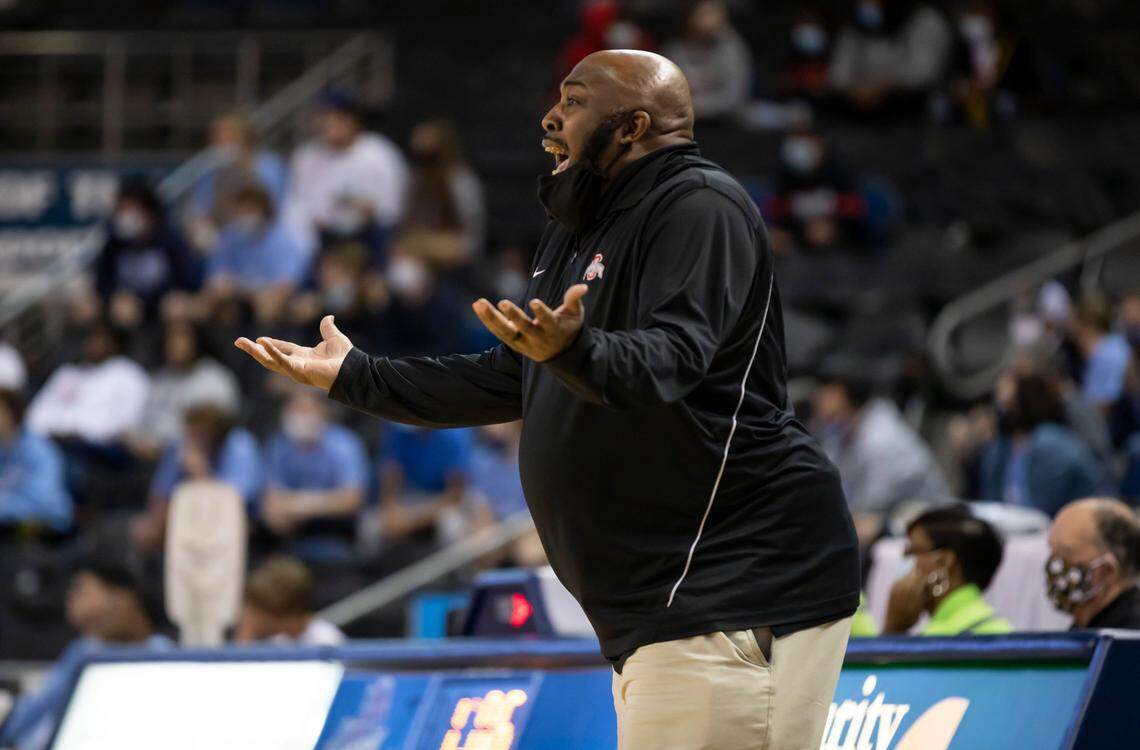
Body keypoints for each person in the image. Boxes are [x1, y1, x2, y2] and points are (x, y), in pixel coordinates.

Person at [236, 50, 860, 749]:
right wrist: (357, 375)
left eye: (574, 99)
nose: (550, 116)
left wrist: (573, 350)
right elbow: (514, 377)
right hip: (663, 608)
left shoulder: (700, 206)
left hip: (732, 584)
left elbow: (672, 357)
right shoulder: (577, 228)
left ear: (632, 126)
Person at [0, 551, 169, 750]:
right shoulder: (83, 652)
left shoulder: (167, 654)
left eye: (80, 590)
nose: (71, 604)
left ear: (119, 598)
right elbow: (26, 719)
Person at [811, 375, 950, 544]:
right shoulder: (837, 432)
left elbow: (870, 508)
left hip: (930, 522)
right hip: (888, 518)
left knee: (850, 532)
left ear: (842, 394)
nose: (817, 398)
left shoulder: (882, 437)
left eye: (826, 391)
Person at [282, 89, 408, 255]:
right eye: (323, 118)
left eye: (337, 118)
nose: (328, 124)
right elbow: (295, 203)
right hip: (318, 237)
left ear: (353, 120)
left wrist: (370, 211)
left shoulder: (379, 154)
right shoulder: (306, 155)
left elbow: (393, 210)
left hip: (366, 237)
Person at [131, 403, 262, 554]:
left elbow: (233, 503)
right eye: (191, 432)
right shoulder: (182, 444)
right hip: (185, 520)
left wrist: (200, 473)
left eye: (201, 434)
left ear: (216, 433)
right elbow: (160, 494)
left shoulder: (240, 446)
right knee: (147, 530)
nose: (193, 438)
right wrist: (155, 524)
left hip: (232, 522)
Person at [980, 371, 1110, 516]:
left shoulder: (1049, 442)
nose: (1001, 410)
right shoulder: (1000, 447)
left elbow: (1044, 509)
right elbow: (993, 500)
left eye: (1009, 404)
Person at [260, 390, 368, 561]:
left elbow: (351, 500)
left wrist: (298, 505)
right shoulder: (278, 445)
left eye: (305, 410)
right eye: (293, 410)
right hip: (292, 542)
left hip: (337, 538)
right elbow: (271, 506)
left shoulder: (344, 443)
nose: (299, 416)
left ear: (323, 412)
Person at [883, 504, 1012, 635]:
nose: (906, 563)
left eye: (914, 552)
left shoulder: (936, 642)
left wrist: (892, 629)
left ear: (944, 562)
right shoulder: (999, 627)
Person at [26, 320, 150, 448]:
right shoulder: (69, 372)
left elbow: (127, 422)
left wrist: (80, 432)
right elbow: (37, 412)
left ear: (115, 344)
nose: (91, 343)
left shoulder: (130, 375)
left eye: (99, 338)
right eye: (90, 337)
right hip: (48, 440)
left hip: (96, 449)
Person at [129, 322, 241, 459]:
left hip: (200, 454)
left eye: (182, 339)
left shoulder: (214, 377)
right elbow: (142, 420)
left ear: (196, 342)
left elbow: (222, 425)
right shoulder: (160, 379)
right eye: (171, 339)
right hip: (149, 455)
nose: (176, 345)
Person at [203, 183, 310, 324]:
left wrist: (252, 292)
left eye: (249, 211)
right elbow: (214, 281)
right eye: (240, 211)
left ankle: (264, 345)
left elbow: (285, 286)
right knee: (217, 303)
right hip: (237, 296)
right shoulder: (229, 237)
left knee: (268, 305)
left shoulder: (281, 240)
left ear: (264, 212)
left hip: (271, 299)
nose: (243, 216)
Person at [94, 181, 196, 328]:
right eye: (122, 210)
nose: (125, 216)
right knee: (104, 308)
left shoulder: (169, 239)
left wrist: (152, 299)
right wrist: (114, 296)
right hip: (126, 302)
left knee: (175, 307)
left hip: (162, 300)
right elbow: (102, 279)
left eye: (130, 209)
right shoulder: (114, 241)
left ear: (147, 212)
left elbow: (184, 277)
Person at [828, 0, 954, 116]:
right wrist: (856, 90)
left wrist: (884, 85)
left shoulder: (926, 19)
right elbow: (838, 75)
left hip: (918, 114)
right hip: (859, 112)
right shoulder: (857, 20)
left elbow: (925, 72)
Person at [186, 111, 289, 250]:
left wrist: (244, 169)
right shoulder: (211, 171)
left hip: (264, 235)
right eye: (215, 138)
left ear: (243, 139)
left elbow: (274, 207)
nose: (219, 144)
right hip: (224, 238)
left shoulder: (270, 165)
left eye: (226, 138)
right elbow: (199, 210)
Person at [395, 118, 486, 271]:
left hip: (457, 255)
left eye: (431, 154)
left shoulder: (460, 181)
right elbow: (404, 229)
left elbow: (471, 240)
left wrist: (432, 247)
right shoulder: (414, 180)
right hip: (418, 253)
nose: (425, 161)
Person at [367, 424, 470, 555]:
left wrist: (412, 520)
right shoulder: (400, 431)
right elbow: (391, 474)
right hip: (410, 497)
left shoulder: (453, 435)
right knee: (371, 525)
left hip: (442, 501)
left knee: (452, 526)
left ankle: (455, 575)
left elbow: (455, 496)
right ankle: (375, 573)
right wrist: (390, 510)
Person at [1047, 497, 1140, 629]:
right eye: (1052, 551)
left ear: (1108, 571)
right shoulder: (1087, 626)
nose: (1053, 565)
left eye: (1065, 553)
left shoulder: (1126, 639)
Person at [663, 0, 752, 121]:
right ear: (690, 15)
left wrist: (699, 107)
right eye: (706, 13)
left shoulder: (730, 48)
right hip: (682, 124)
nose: (714, 19)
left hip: (724, 123)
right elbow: (667, 96)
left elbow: (735, 96)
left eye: (718, 13)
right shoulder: (675, 49)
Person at [0, 389, 72, 532]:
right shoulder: (3, 450)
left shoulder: (39, 451)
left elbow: (41, 501)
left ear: (12, 415)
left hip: (45, 530)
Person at [233, 555, 345, 646]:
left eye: (266, 614)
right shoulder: (275, 640)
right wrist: (246, 634)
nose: (258, 620)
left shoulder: (326, 639)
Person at [1070, 296, 1131, 411]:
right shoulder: (1099, 353)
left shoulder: (1112, 352)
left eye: (1078, 330)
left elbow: (1111, 399)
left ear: (1089, 326)